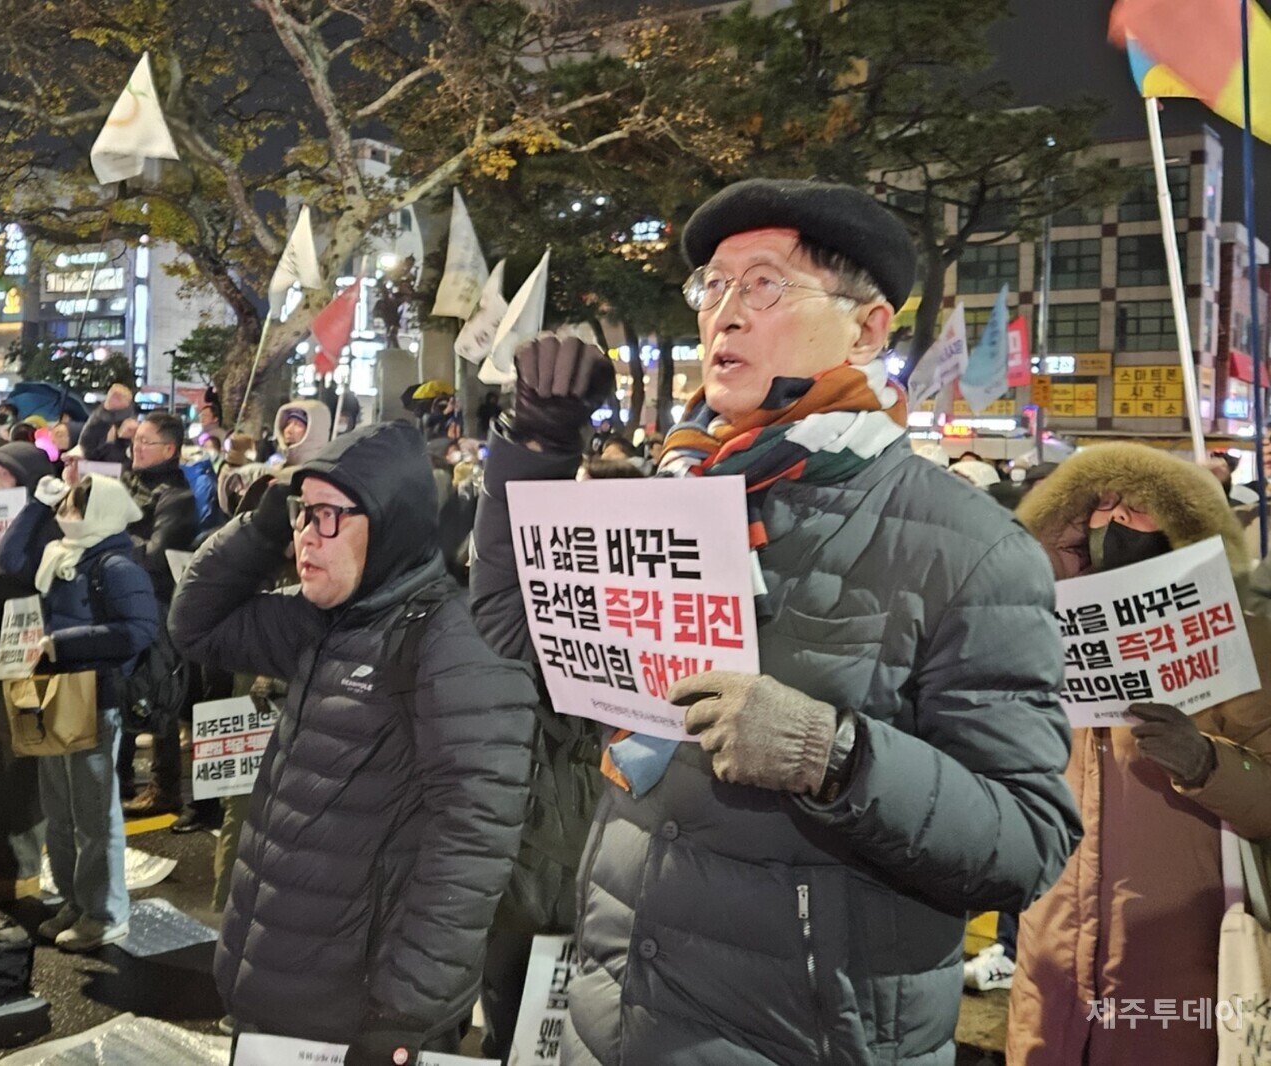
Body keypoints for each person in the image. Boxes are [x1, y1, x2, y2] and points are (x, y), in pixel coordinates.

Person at [473, 177, 1081, 1065]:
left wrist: (833, 757)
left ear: (868, 328)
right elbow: (508, 636)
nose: (724, 313)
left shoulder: (971, 547)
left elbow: (1027, 841)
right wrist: (534, 447)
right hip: (615, 1025)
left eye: (764, 285)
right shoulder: (668, 504)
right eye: (712, 286)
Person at [168, 421, 538, 1062]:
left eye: (330, 516)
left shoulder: (457, 638)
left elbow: (474, 840)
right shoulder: (325, 617)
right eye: (302, 513)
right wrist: (261, 526)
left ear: (391, 521)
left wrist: (402, 1015)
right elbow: (195, 624)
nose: (306, 535)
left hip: (362, 1016)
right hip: (275, 990)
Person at [1008, 443, 1271, 1066]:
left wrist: (1207, 764)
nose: (1118, 517)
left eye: (1139, 505)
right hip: (1051, 960)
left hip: (1188, 966)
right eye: (1100, 506)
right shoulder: (1028, 636)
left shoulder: (1246, 641)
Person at [0, 474, 157, 951]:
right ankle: (76, 901)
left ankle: (106, 914)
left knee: (94, 816)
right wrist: (37, 504)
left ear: (100, 512)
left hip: (95, 698)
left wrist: (62, 643)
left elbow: (139, 630)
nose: (65, 513)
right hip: (56, 694)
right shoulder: (62, 554)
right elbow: (11, 557)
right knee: (61, 812)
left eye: (73, 505)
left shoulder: (115, 565)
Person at [119, 412, 197, 816]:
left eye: (146, 442)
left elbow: (156, 556)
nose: (137, 448)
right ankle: (121, 778)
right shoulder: (128, 482)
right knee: (125, 689)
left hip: (159, 605)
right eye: (135, 440)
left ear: (169, 449)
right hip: (126, 601)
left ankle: (165, 788)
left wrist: (113, 537)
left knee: (160, 693)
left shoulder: (177, 497)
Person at [0, 444, 56, 902]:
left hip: (21, 655)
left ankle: (17, 870)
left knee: (19, 759)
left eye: (5, 474)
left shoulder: (46, 527)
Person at [78, 385, 138, 469]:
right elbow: (89, 454)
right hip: (108, 468)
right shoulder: (95, 425)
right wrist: (109, 443)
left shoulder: (128, 417)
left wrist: (133, 436)